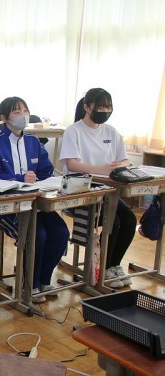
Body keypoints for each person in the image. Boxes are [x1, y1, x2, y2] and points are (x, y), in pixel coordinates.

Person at [0, 96, 69, 302]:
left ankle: (43, 279)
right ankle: (29, 284)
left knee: (60, 232)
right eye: (16, 112)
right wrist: (19, 179)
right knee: (37, 234)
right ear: (4, 118)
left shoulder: (32, 141)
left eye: (25, 111)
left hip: (35, 204)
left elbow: (46, 170)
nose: (23, 116)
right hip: (4, 207)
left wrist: (47, 180)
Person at [60, 88, 135, 288]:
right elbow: (72, 164)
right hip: (81, 190)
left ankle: (113, 266)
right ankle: (102, 269)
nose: (105, 111)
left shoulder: (111, 131)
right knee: (113, 221)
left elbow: (125, 159)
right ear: (87, 107)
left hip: (108, 190)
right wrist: (101, 169)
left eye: (108, 107)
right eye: (100, 107)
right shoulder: (73, 131)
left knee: (129, 219)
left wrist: (118, 166)